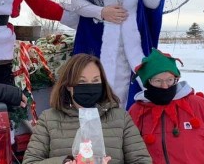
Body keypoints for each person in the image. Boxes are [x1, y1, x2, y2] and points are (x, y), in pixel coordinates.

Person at [23, 53, 152, 164]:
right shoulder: (48, 119)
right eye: (82, 81)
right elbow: (31, 161)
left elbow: (142, 160)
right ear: (68, 85)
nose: (90, 87)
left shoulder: (120, 118)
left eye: (95, 81)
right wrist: (64, 162)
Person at [128, 49, 204, 164]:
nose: (165, 86)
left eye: (169, 80)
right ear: (148, 82)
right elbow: (127, 153)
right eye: (157, 81)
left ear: (176, 79)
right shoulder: (136, 112)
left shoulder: (199, 105)